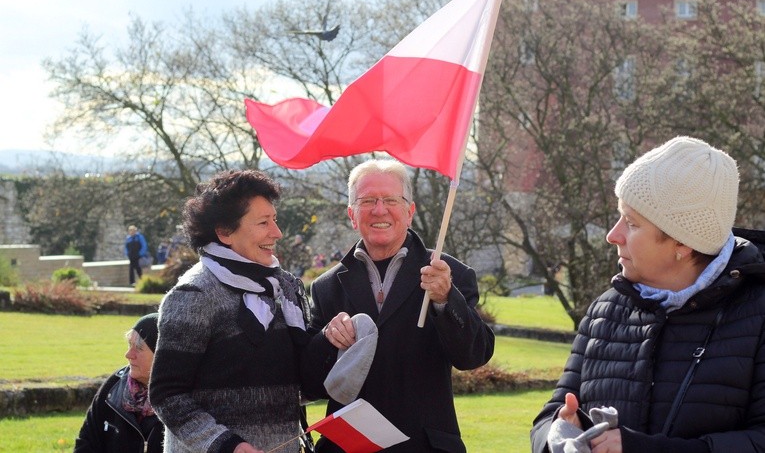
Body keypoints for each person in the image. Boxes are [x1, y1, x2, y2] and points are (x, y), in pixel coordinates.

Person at [530, 136, 765, 453]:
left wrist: (639, 448)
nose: (613, 235)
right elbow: (554, 412)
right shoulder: (604, 311)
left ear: (682, 243)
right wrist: (555, 434)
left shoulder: (758, 315)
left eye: (631, 223)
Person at [301, 159, 495, 452]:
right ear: (352, 215)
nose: (380, 210)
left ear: (410, 212)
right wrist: (328, 338)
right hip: (348, 448)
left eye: (391, 200)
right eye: (368, 201)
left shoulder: (449, 274)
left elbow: (474, 356)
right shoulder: (326, 286)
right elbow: (311, 383)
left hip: (424, 446)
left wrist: (445, 299)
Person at [149, 169, 311, 453]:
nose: (277, 233)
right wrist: (227, 446)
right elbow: (167, 394)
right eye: (263, 222)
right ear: (224, 232)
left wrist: (337, 343)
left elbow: (296, 384)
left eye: (274, 219)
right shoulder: (194, 294)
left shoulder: (284, 287)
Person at [74, 313, 164, 452]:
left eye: (138, 348)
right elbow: (86, 443)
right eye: (130, 345)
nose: (128, 354)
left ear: (161, 356)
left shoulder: (184, 400)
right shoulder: (113, 387)